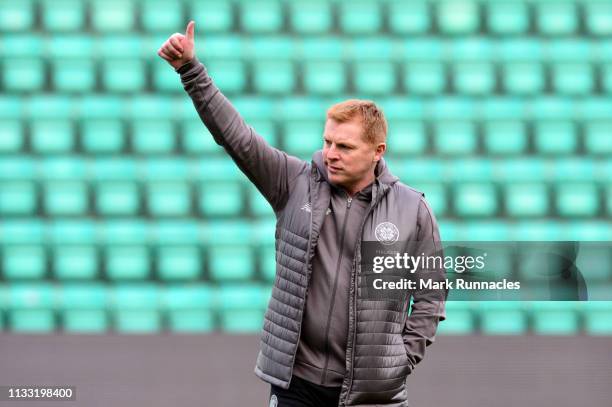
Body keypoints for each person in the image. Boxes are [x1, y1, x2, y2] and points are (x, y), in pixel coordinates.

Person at [158, 21, 447, 407]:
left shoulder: (412, 209)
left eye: (344, 146)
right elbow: (237, 137)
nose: (330, 153)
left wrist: (398, 361)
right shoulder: (295, 182)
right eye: (327, 142)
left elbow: (431, 293)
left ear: (378, 151)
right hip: (297, 384)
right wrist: (191, 70)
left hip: (370, 393)